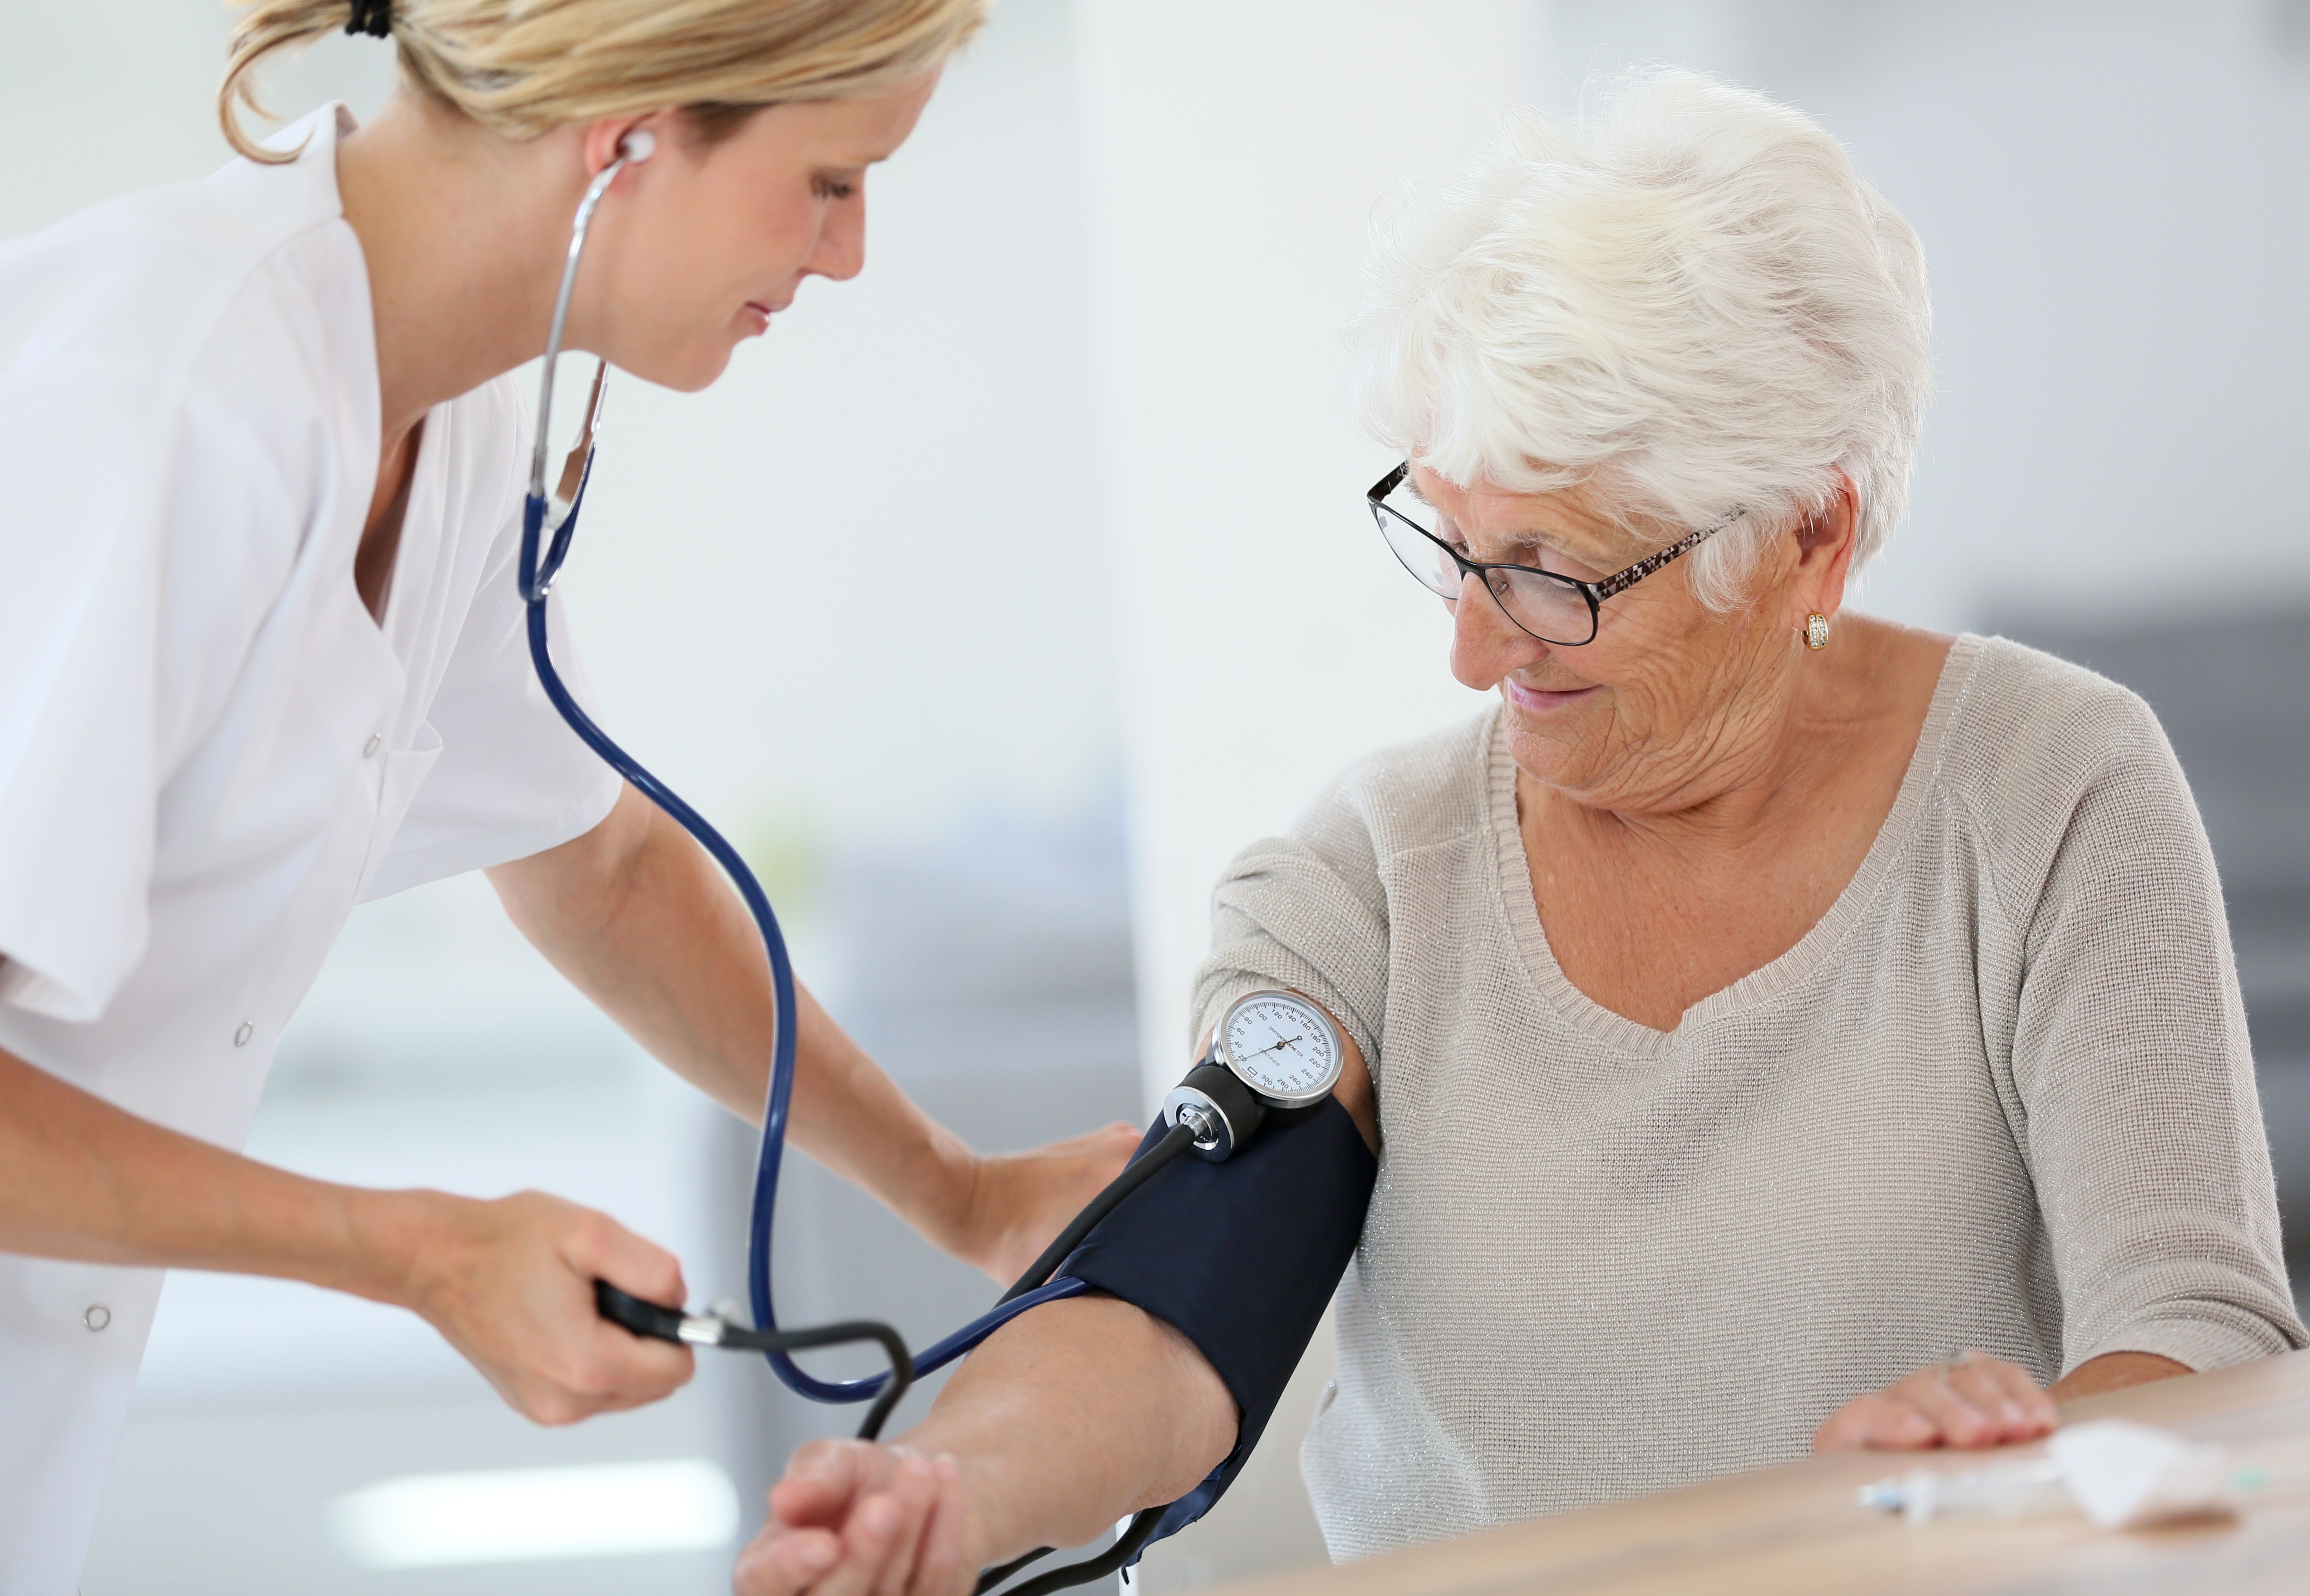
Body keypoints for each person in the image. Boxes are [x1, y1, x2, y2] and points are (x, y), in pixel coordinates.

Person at [727, 68, 2308, 1595]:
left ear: (1809, 535)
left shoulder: (2053, 787)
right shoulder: (1370, 878)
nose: (1476, 656)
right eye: (1451, 546)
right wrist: (958, 1488)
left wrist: (2013, 1481)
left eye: (1554, 572)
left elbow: (2199, 1321)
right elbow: (1186, 1289)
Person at [0, 2, 1139, 1589]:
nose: (847, 255)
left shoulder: (439, 410)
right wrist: (422, 1254)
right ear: (624, 134)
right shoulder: (163, 398)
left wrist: (958, 1194)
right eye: (831, 181)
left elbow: (601, 867)